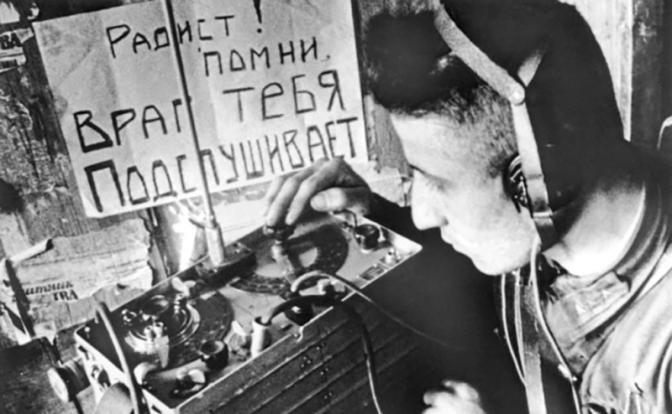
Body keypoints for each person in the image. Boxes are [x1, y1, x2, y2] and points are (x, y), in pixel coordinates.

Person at [264, 1, 672, 413]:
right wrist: (373, 218)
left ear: (538, 181)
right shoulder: (544, 225)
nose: (423, 214)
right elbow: (473, 286)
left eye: (438, 182)